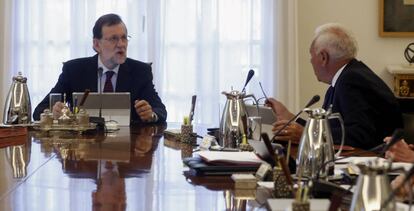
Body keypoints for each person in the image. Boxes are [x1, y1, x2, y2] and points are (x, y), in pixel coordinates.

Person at [266, 23, 403, 150]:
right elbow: (331, 129)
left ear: (323, 57)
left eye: (311, 55)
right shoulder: (345, 77)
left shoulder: (351, 80)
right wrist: (290, 116)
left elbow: (360, 136)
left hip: (374, 163)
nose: (311, 61)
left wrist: (307, 134)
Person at [33, 14, 167, 124]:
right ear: (97, 44)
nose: (121, 44)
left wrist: (151, 115)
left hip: (127, 147)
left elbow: (160, 111)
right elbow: (39, 111)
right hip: (83, 149)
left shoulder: (140, 71)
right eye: (114, 39)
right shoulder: (74, 70)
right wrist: (53, 112)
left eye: (124, 38)